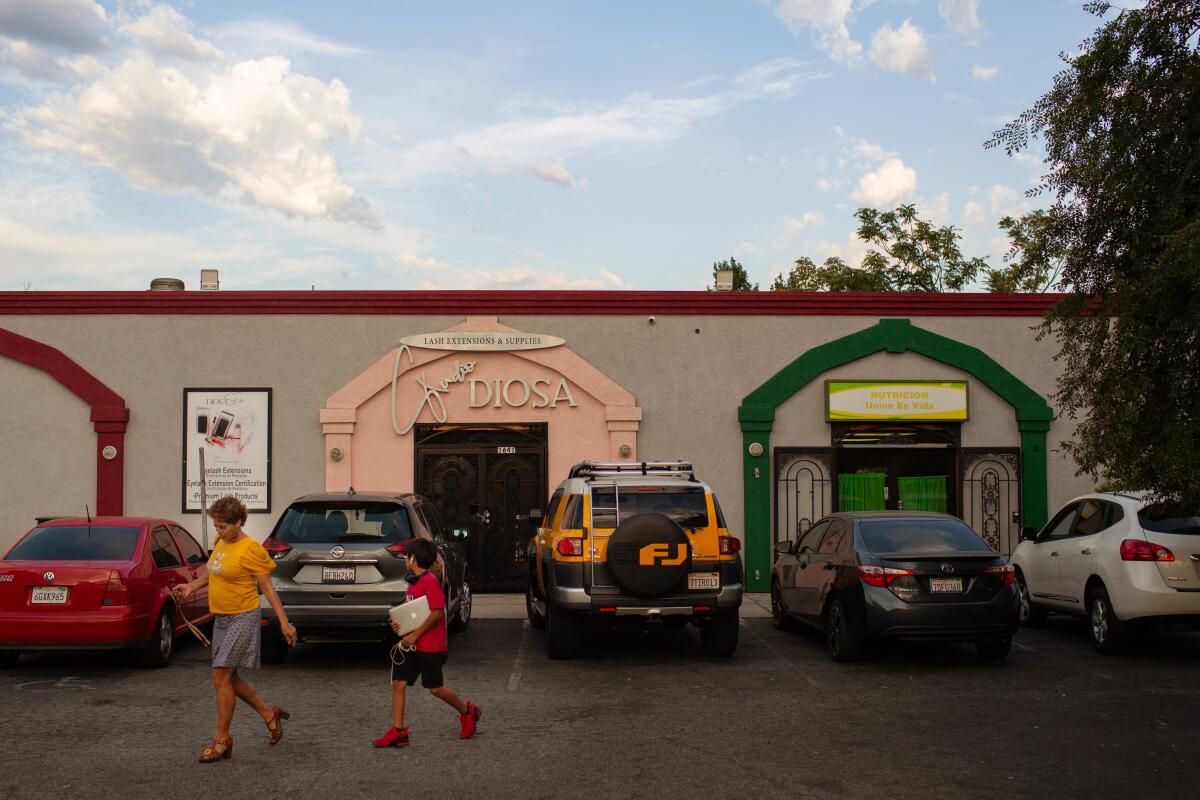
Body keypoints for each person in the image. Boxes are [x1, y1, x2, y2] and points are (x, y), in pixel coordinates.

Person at [174, 495, 297, 763]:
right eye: (216, 526)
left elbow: (266, 587)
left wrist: (284, 622)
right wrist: (191, 587)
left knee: (220, 676)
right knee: (229, 678)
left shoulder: (250, 549)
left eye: (223, 527)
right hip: (222, 618)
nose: (218, 531)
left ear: (238, 522)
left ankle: (221, 739)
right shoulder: (221, 543)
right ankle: (269, 714)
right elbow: (214, 571)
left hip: (243, 616)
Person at [373, 538, 480, 748]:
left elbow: (436, 612)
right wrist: (401, 626)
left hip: (430, 645)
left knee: (435, 688)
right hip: (412, 645)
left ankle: (468, 711)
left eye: (406, 556)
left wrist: (414, 635)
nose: (405, 559)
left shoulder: (430, 581)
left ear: (413, 559)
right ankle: (398, 730)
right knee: (399, 683)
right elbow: (414, 613)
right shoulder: (414, 581)